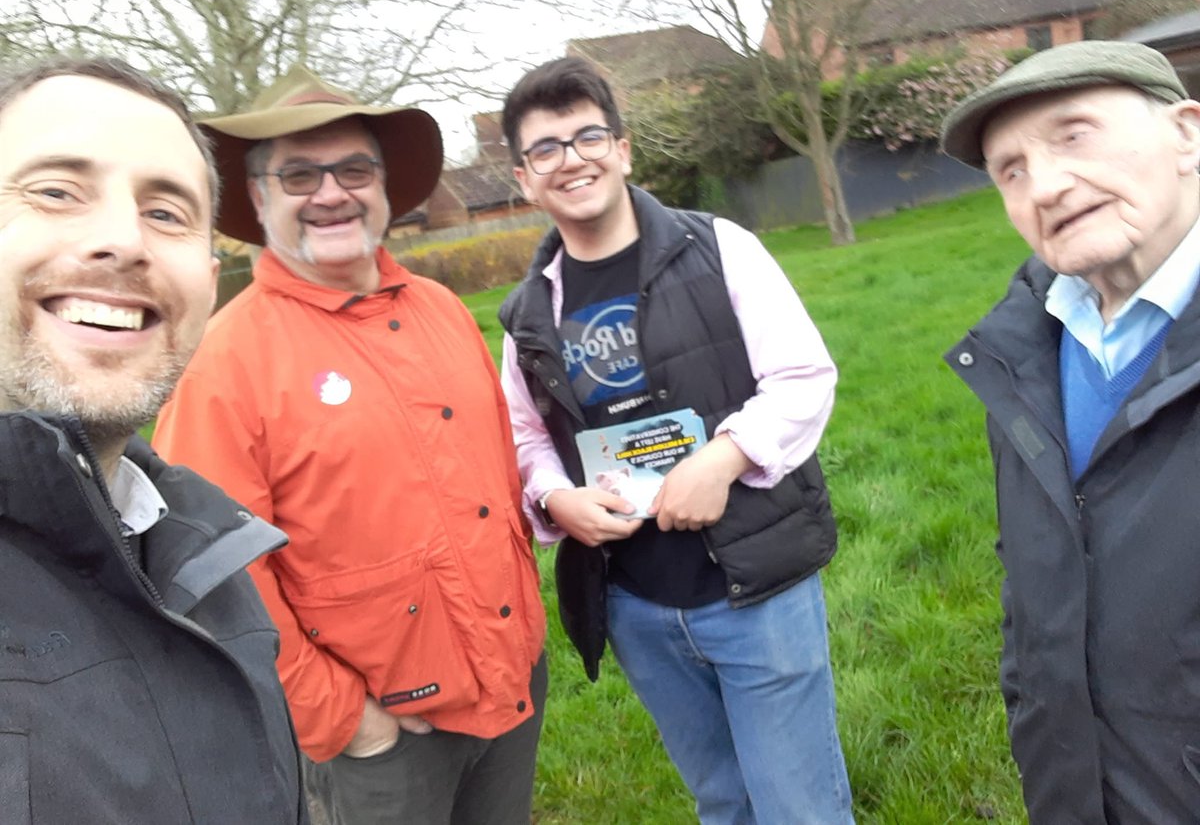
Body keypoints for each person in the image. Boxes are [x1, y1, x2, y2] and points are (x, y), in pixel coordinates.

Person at [152, 65, 546, 825]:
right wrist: (348, 724)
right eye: (298, 175)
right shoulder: (224, 360)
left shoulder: (441, 309)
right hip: (378, 742)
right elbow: (213, 576)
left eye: (354, 169)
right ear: (260, 198)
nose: (330, 193)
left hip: (511, 686)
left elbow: (491, 480)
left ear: (386, 189)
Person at [497, 56, 854, 825]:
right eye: (546, 148)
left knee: (800, 808)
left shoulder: (720, 247)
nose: (572, 158)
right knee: (722, 802)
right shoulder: (526, 313)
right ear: (524, 177)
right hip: (635, 601)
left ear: (624, 149)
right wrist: (557, 497)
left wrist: (723, 460)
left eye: (588, 135)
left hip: (756, 585)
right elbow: (525, 437)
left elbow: (803, 376)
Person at [0, 57, 305, 823]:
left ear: (206, 278)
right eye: (56, 192)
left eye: (166, 212)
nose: (123, 240)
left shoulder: (206, 551)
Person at [940, 41, 1200, 822]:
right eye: (1010, 170)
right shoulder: (1021, 355)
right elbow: (1031, 584)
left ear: (1187, 133)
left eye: (1074, 133)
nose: (1045, 185)